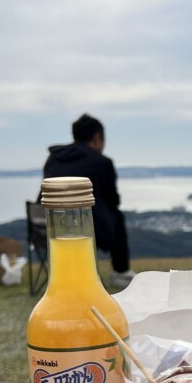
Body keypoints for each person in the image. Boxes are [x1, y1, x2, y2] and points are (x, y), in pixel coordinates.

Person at [42, 114, 134, 288]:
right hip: (88, 225)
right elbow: (113, 200)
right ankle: (121, 272)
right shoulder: (101, 162)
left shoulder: (53, 158)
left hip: (47, 226)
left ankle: (62, 273)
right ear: (97, 137)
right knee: (117, 216)